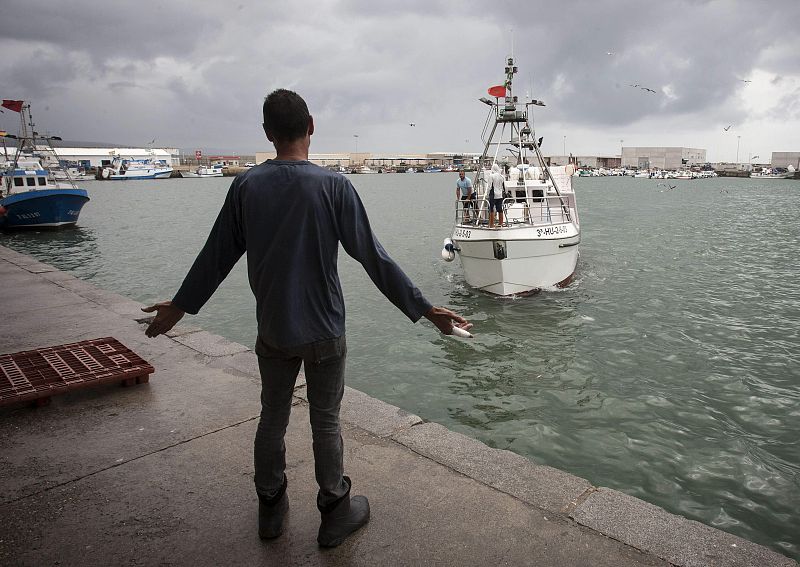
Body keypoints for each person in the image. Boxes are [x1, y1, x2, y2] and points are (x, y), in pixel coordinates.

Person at [142, 89, 471, 548]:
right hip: (324, 331)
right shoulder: (334, 187)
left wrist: (178, 308)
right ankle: (334, 511)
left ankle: (271, 508)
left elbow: (216, 257)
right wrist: (427, 311)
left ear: (267, 134)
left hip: (273, 329)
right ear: (311, 126)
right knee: (326, 422)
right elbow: (374, 259)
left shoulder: (246, 187)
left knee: (272, 417)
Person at [488, 163, 505, 228]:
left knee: (491, 209)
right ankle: (501, 223)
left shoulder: (491, 176)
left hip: (493, 194)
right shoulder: (502, 176)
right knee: (500, 209)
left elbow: (490, 186)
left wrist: (488, 194)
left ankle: (491, 224)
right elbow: (504, 186)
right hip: (500, 194)